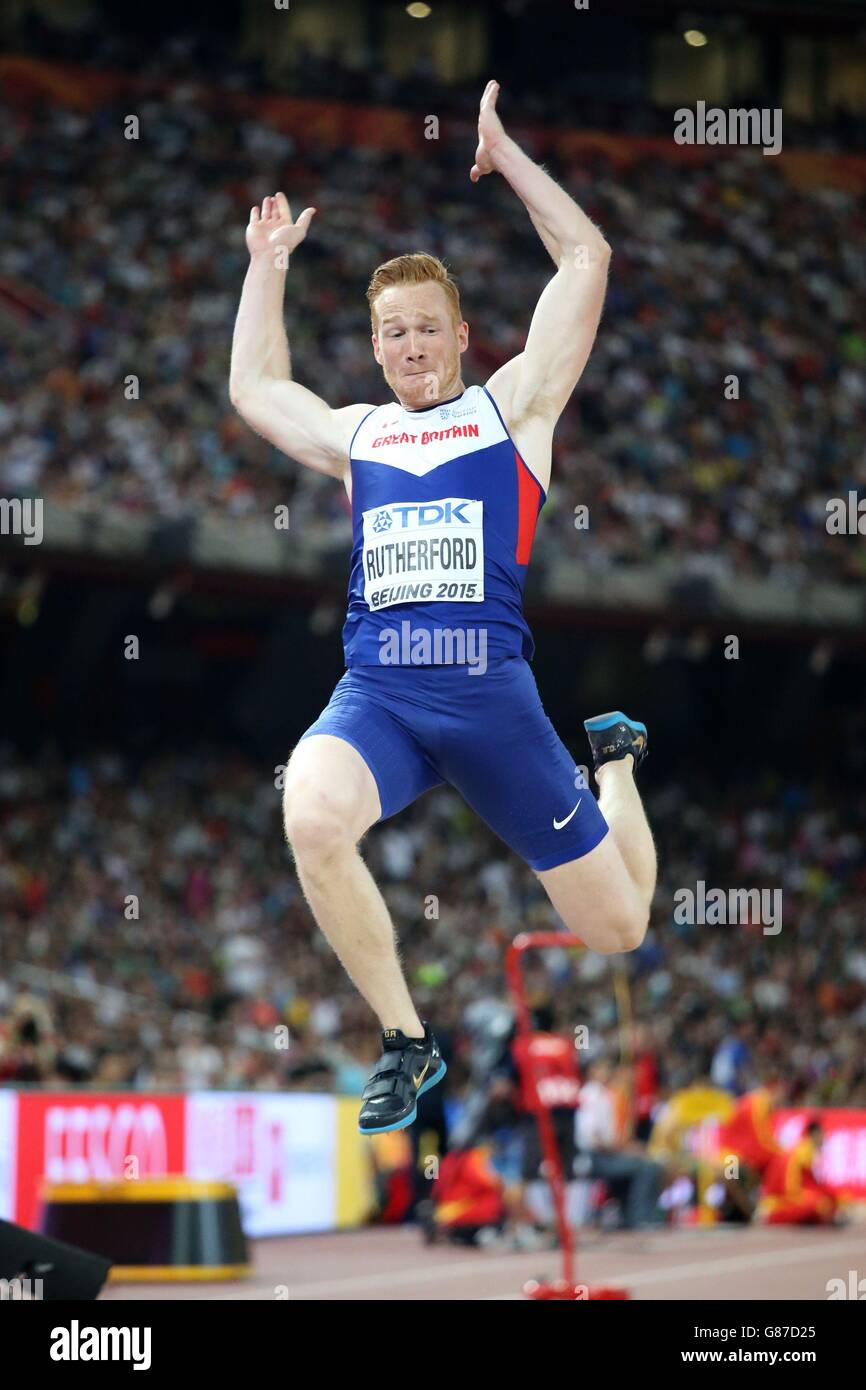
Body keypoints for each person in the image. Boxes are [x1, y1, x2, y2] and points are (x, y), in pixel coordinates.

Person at [230, 80, 657, 1136]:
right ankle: (407, 1043)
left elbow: (586, 260)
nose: (411, 345)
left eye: (427, 328)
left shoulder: (511, 408)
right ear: (373, 348)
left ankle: (613, 768)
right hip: (377, 692)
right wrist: (265, 270)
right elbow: (253, 388)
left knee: (616, 929)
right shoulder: (359, 434)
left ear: (461, 335)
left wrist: (505, 157)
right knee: (310, 812)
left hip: (492, 704)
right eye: (392, 333)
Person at [575, 1056, 665, 1230]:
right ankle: (641, 1218)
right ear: (591, 1072)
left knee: (645, 1163)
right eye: (601, 1068)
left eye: (608, 1068)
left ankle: (628, 1215)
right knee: (646, 1167)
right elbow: (593, 1139)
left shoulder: (607, 1094)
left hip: (605, 1153)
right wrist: (622, 1150)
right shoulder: (591, 1094)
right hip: (592, 1157)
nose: (606, 1072)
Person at [758, 1120, 840, 1226]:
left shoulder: (804, 1149)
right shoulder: (804, 1152)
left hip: (789, 1194)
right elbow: (795, 1189)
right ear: (815, 1134)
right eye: (822, 1134)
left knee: (827, 1200)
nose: (824, 1138)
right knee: (818, 1204)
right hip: (781, 1200)